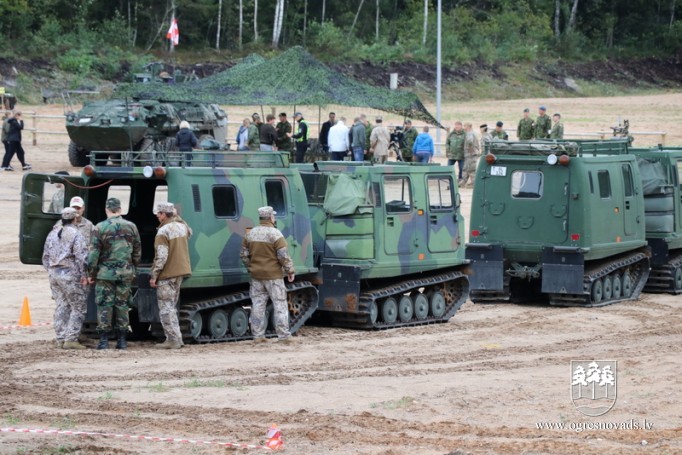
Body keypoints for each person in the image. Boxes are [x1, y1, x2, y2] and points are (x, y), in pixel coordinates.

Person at [87, 197, 141, 350]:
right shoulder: (131, 226)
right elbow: (137, 251)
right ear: (120, 210)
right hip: (125, 272)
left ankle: (104, 340)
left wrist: (91, 273)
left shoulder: (99, 227)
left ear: (106, 209)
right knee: (122, 305)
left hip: (105, 274)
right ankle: (122, 340)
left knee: (105, 304)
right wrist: (133, 268)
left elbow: (93, 254)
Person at [240, 206, 296, 343]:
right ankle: (283, 336)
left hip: (256, 276)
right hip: (274, 276)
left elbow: (243, 255)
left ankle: (258, 336)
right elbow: (283, 255)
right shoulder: (276, 234)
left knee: (257, 305)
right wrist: (290, 270)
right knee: (280, 305)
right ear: (271, 217)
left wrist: (251, 267)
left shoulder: (250, 234)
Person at [42, 207, 88, 350]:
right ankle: (71, 339)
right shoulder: (76, 234)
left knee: (61, 305)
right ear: (74, 219)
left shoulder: (52, 233)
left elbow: (45, 257)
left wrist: (51, 271)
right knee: (78, 307)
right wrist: (84, 275)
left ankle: (60, 338)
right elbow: (81, 257)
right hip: (69, 274)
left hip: (54, 274)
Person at [149, 202, 192, 349]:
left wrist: (154, 275)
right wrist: (176, 216)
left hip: (167, 274)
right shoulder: (182, 227)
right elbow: (190, 232)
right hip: (180, 272)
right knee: (172, 306)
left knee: (166, 308)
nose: (157, 215)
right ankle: (177, 339)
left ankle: (172, 340)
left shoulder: (163, 231)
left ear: (163, 215)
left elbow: (161, 256)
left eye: (159, 213)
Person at [462, 123, 480, 187]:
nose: (464, 128)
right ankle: (463, 181)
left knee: (471, 169)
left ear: (468, 127)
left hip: (470, 154)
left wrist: (470, 148)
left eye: (465, 126)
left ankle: (473, 183)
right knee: (466, 168)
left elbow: (470, 141)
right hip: (471, 154)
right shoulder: (473, 133)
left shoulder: (470, 133)